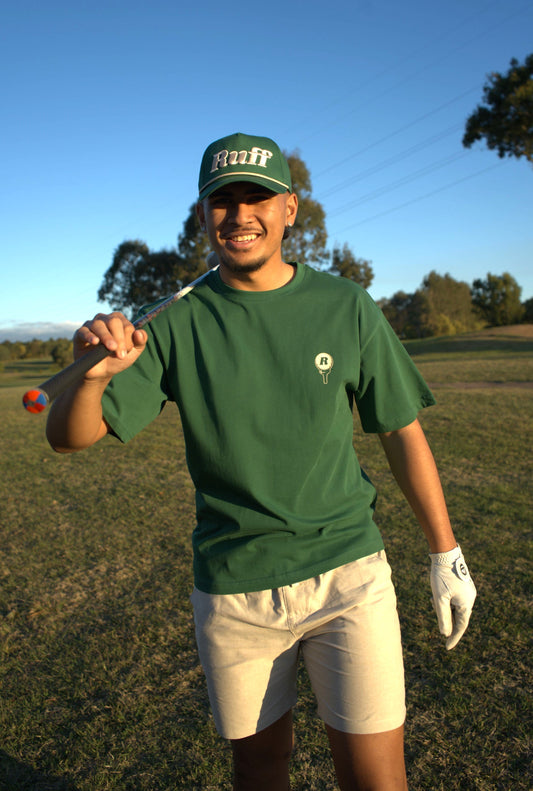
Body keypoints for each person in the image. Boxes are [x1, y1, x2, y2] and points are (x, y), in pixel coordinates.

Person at [46, 132, 477, 791]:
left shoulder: (345, 305)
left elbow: (399, 430)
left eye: (257, 197)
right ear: (202, 215)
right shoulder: (169, 321)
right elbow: (68, 435)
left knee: (375, 777)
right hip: (233, 583)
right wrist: (98, 376)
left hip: (347, 574)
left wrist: (444, 552)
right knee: (258, 769)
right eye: (222, 200)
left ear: (289, 209)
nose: (239, 214)